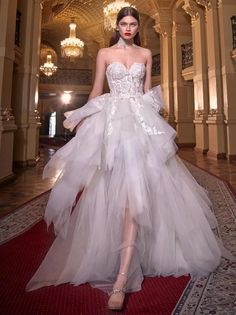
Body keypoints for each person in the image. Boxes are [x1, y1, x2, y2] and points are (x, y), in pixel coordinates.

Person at [26, 7, 222, 311]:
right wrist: (82, 119)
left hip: (141, 127)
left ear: (137, 26)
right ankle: (116, 257)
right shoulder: (104, 53)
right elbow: (95, 91)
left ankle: (121, 279)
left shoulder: (145, 53)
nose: (128, 28)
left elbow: (147, 95)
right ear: (116, 26)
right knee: (112, 193)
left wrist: (156, 128)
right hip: (112, 126)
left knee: (135, 197)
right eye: (123, 24)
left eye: (132, 24)